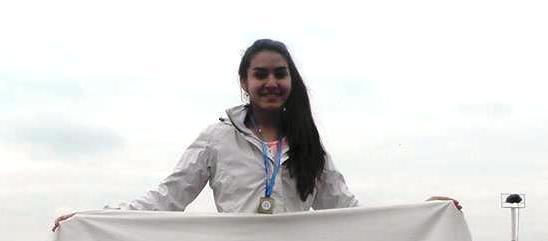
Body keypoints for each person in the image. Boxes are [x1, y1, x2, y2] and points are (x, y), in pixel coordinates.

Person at [53, 39, 460, 230]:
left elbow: (349, 210)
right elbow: (167, 197)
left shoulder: (308, 145)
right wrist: (96, 218)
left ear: (291, 81)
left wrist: (420, 217)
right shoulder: (216, 138)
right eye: (260, 74)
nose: (271, 82)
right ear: (245, 82)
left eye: (279, 73)